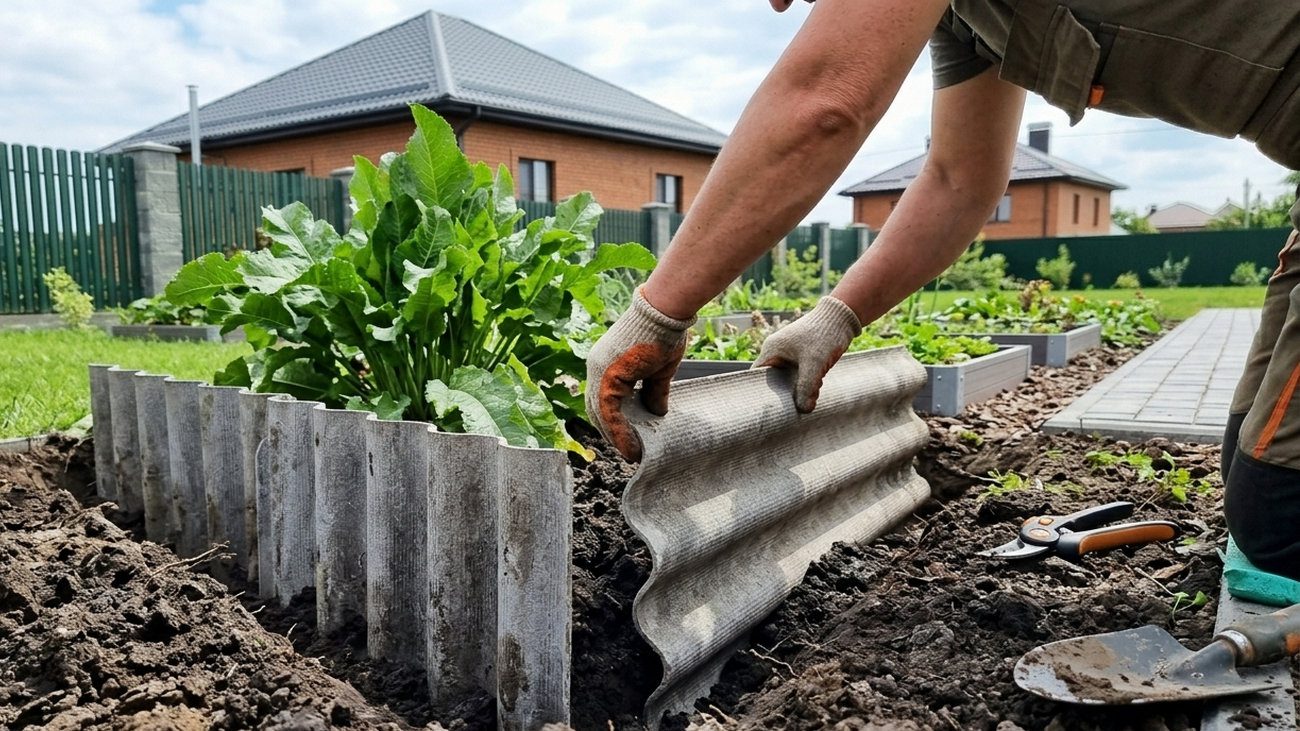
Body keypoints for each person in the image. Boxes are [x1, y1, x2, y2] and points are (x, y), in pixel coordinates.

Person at [586, 0, 1300, 580]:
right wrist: (838, 315)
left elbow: (824, 102)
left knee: (1281, 525)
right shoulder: (967, 15)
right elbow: (961, 179)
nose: (778, 5)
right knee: (1254, 482)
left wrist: (659, 310)